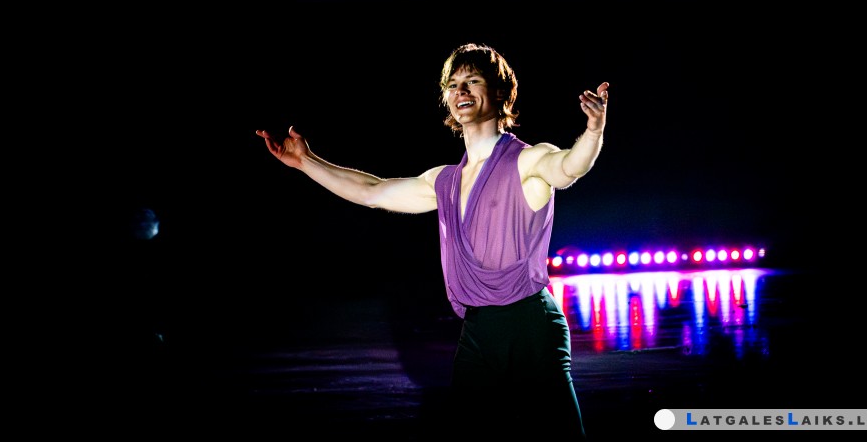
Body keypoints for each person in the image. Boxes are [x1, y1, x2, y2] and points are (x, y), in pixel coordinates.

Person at [256, 43, 608, 440]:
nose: (461, 91)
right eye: (453, 84)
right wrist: (306, 162)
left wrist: (593, 131)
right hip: (478, 330)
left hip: (530, 326)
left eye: (472, 81)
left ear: (500, 93)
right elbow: (372, 191)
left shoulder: (527, 160)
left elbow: (568, 166)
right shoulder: (445, 181)